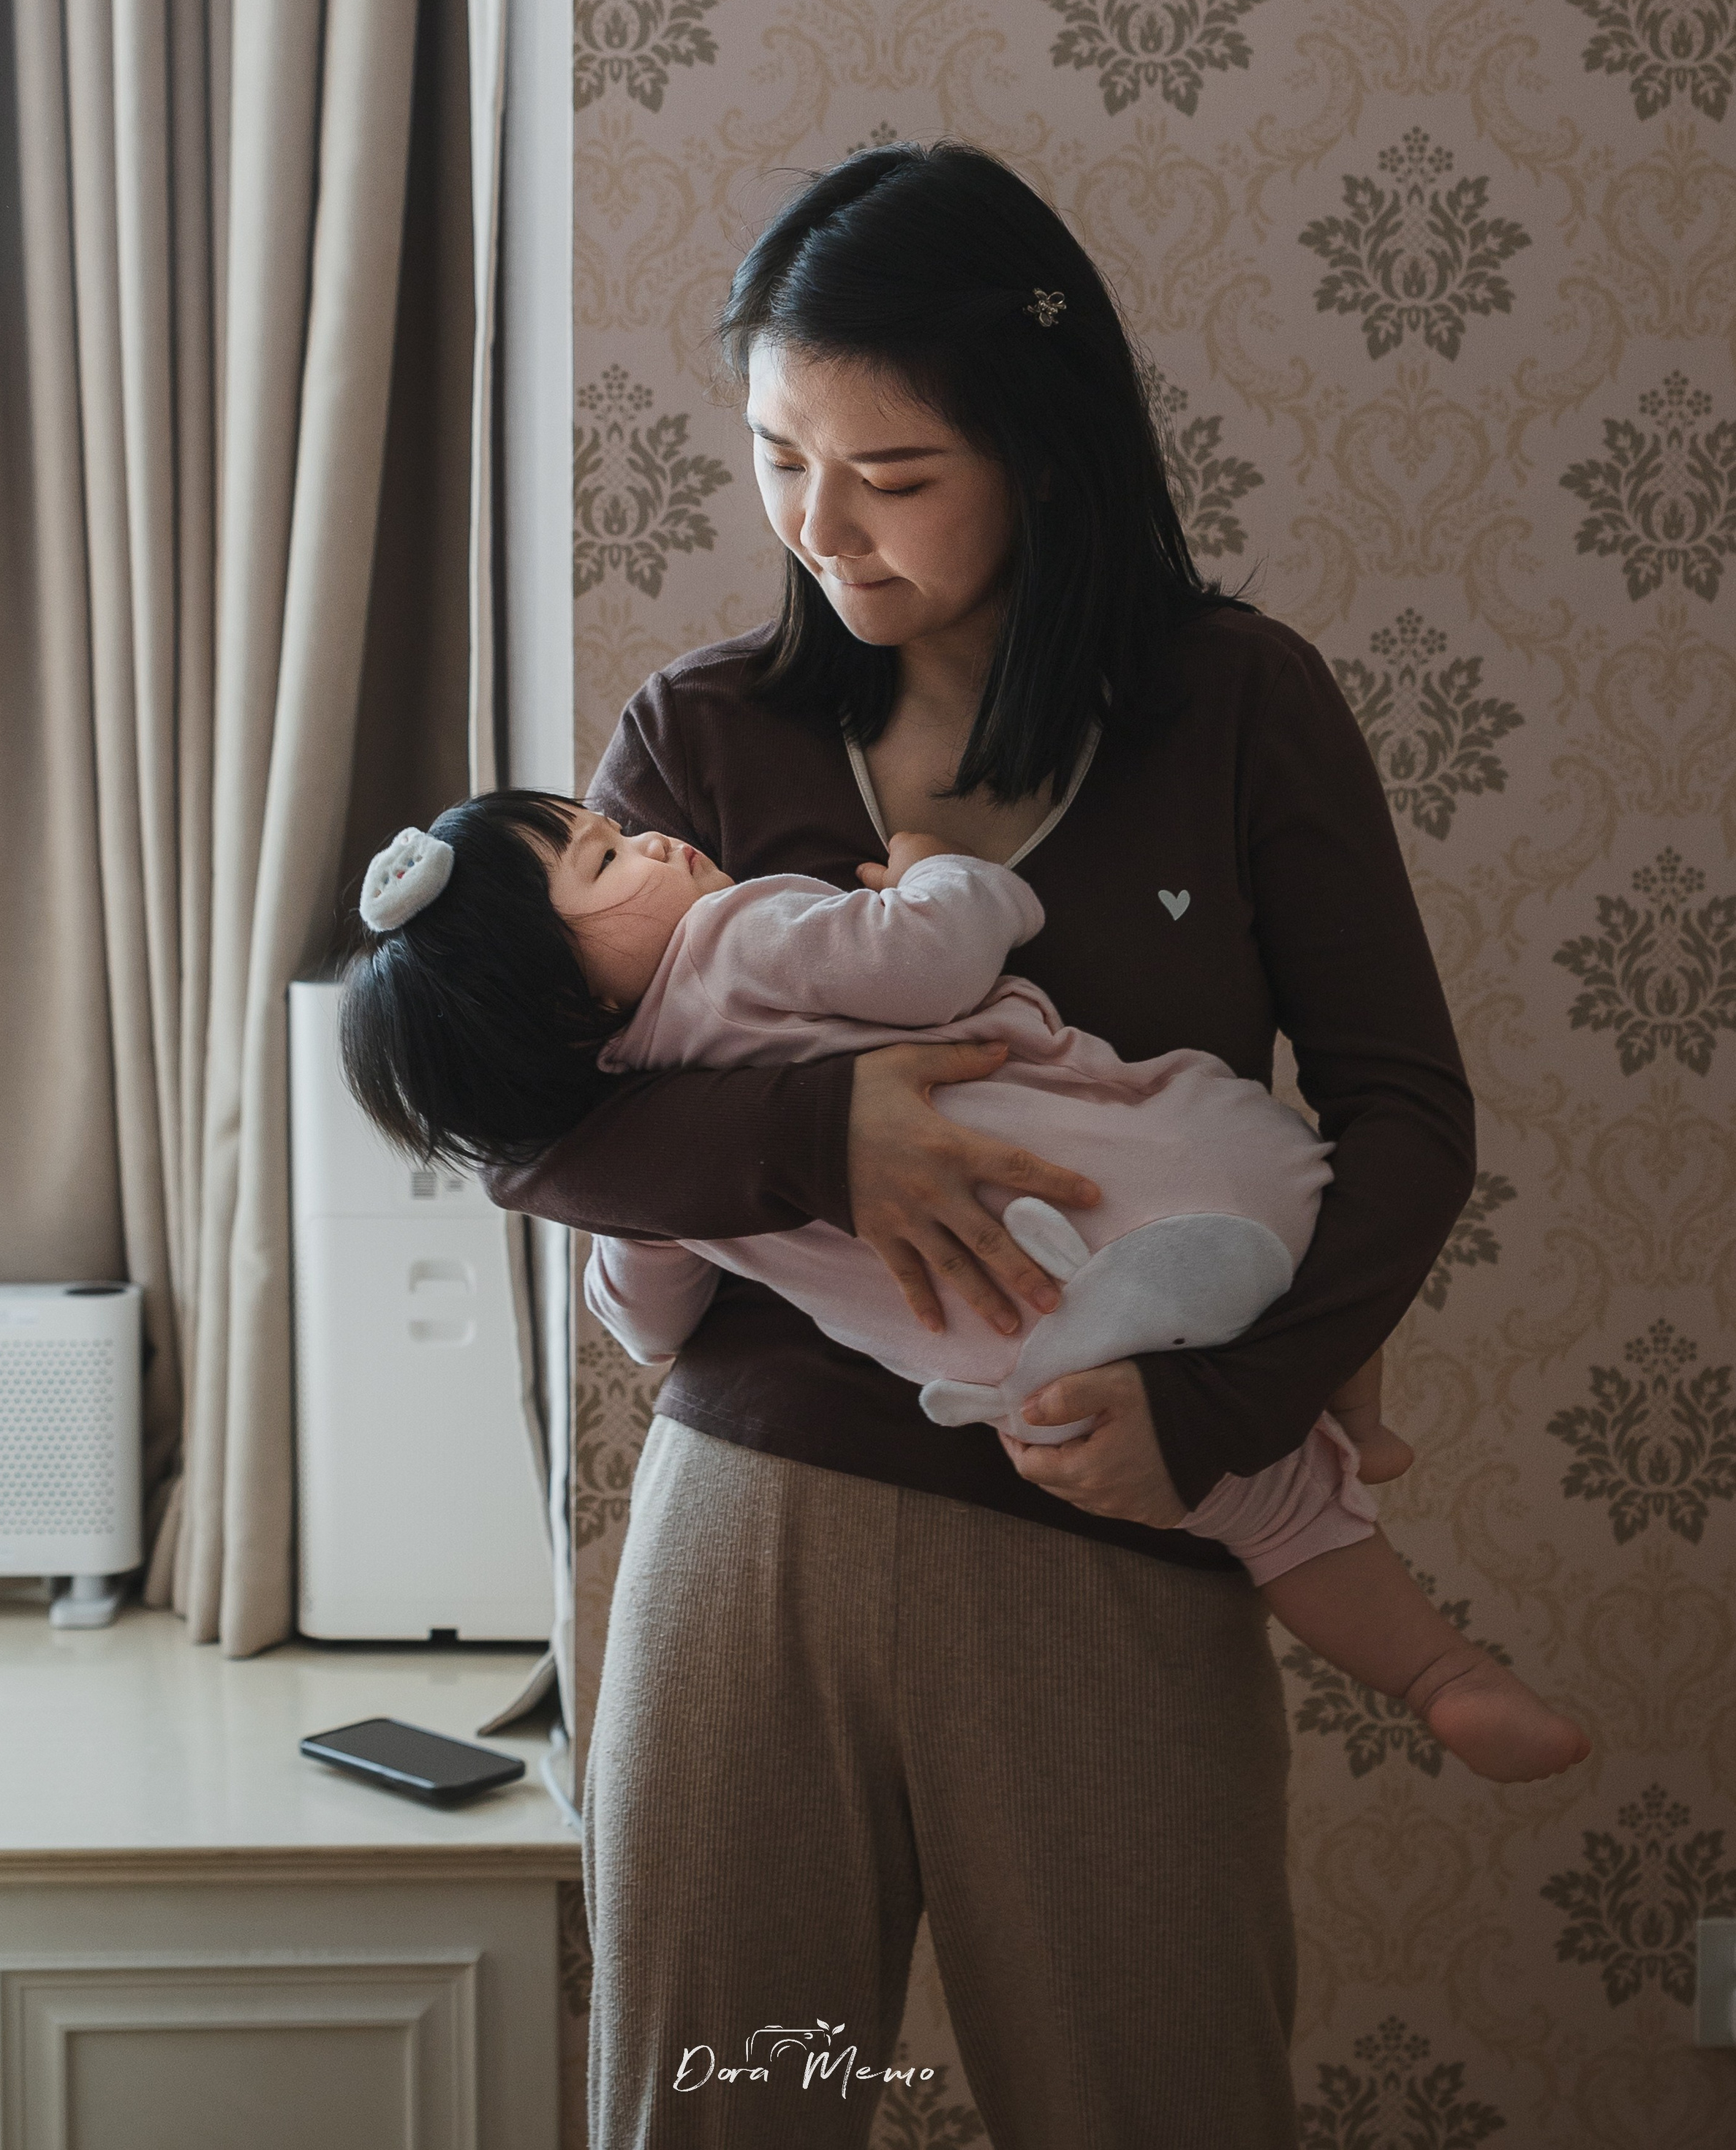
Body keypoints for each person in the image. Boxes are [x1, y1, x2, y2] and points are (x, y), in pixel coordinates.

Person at [486, 141, 1485, 2146]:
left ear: (1044, 449)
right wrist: (815, 1130)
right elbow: (535, 1130)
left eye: (895, 476)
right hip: (746, 1528)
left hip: (1110, 1526)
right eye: (780, 458)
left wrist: (1217, 1423)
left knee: (1156, 2096)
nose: (822, 529)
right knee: (716, 2103)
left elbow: (1407, 1115)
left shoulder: (1236, 705)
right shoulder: (700, 737)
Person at [339, 795, 1589, 1790]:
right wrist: (945, 868)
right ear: (570, 1006)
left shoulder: (656, 1147)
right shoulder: (737, 939)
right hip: (1166, 1179)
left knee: (1268, 1513)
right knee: (1301, 1193)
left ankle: (1439, 1675)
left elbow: (647, 1320)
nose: (651, 836)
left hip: (1043, 1354)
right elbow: (932, 958)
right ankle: (1354, 1414)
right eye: (606, 859)